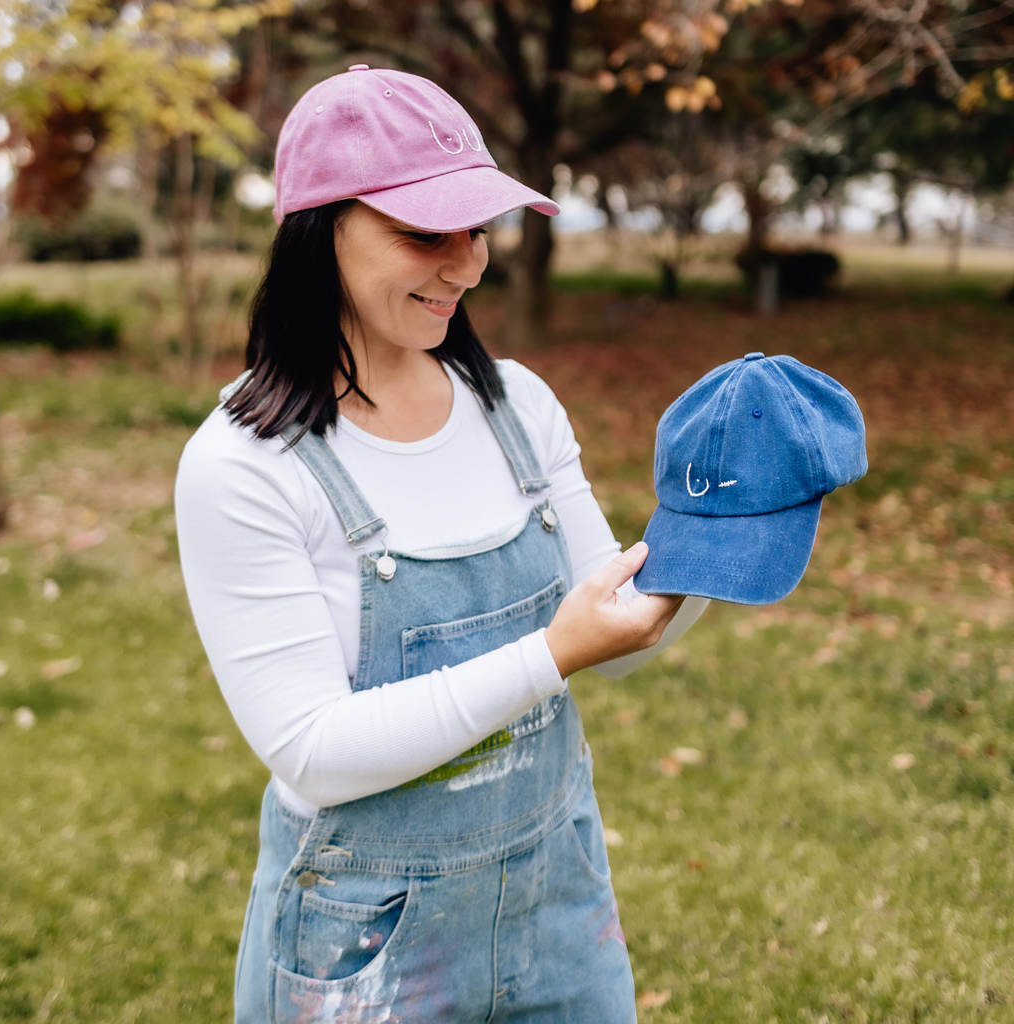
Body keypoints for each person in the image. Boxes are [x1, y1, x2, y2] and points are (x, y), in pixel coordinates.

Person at [174, 65, 709, 1024]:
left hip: (560, 908)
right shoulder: (245, 467)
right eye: (426, 232)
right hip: (365, 952)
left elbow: (623, 631)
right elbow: (315, 751)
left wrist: (726, 532)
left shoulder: (519, 408)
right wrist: (552, 654)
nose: (467, 265)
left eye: (480, 230)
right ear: (318, 232)